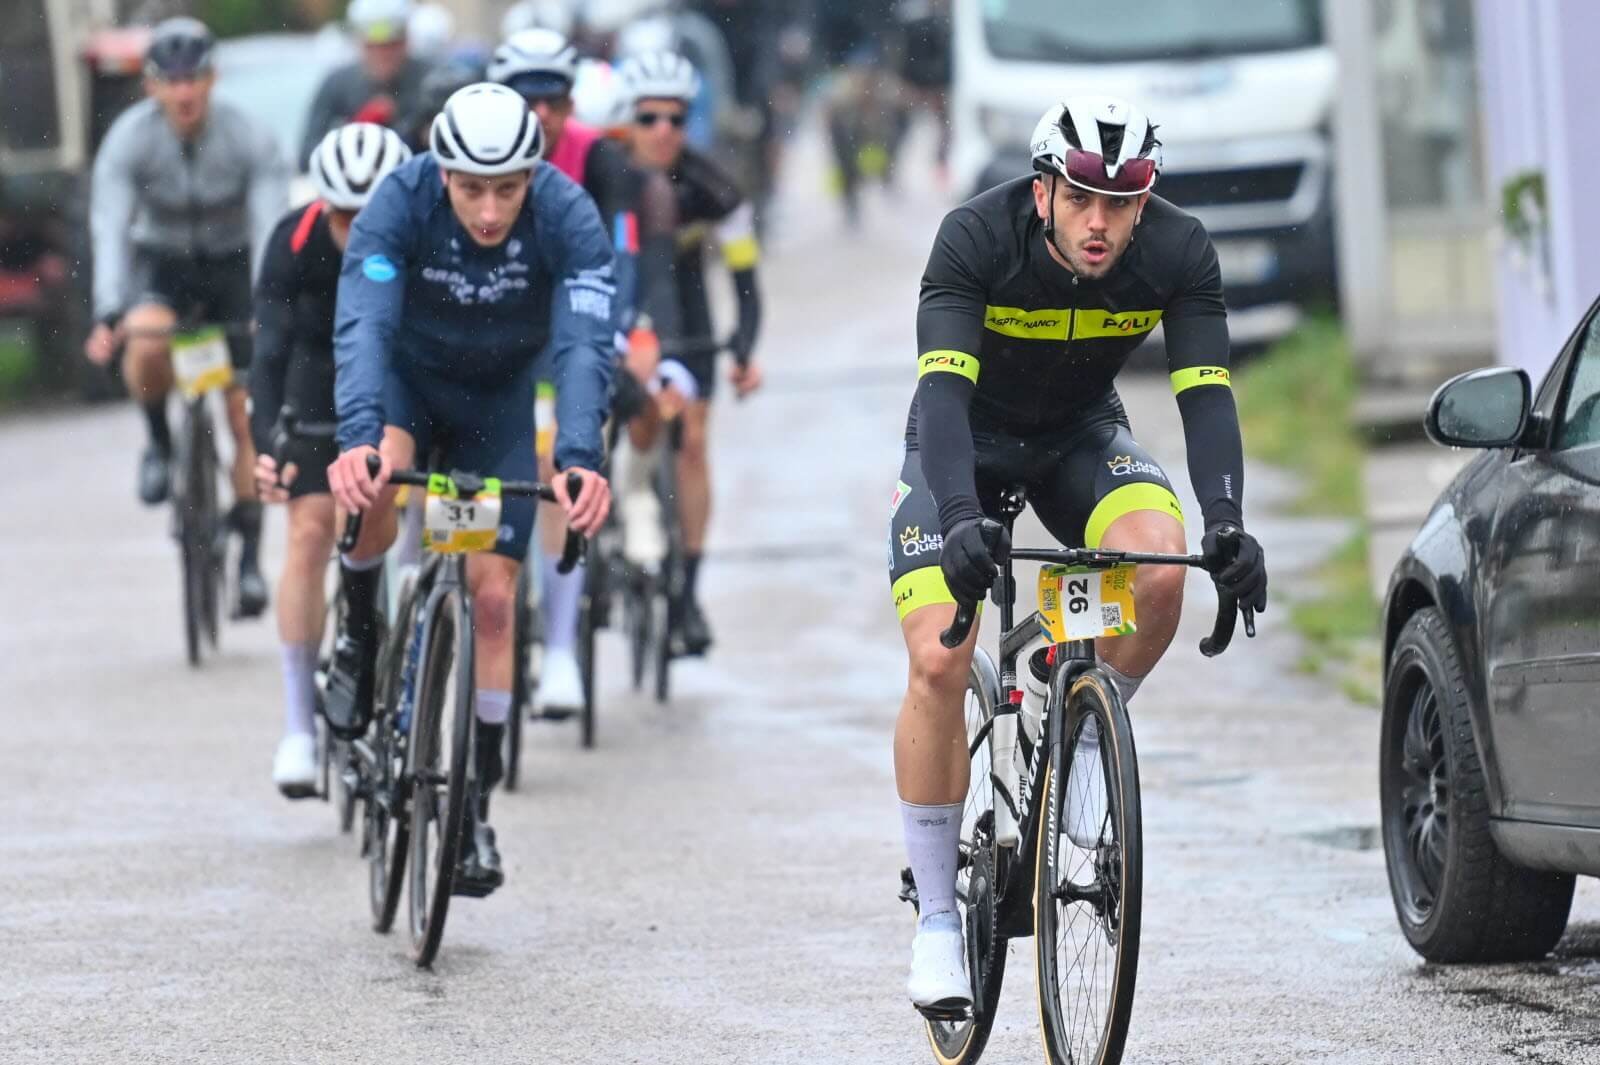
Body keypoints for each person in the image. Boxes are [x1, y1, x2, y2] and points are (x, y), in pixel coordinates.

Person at [890, 96, 1269, 1013]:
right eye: (1082, 199)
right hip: (965, 450)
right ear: (1044, 189)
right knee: (940, 655)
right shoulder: (975, 238)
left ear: (1146, 199)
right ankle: (939, 919)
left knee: (1161, 561)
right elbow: (940, 399)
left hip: (1080, 440)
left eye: (1123, 200)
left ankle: (1083, 751)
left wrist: (1227, 522)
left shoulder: (1181, 250)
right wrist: (956, 515)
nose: (1101, 224)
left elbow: (1207, 397)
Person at [325, 83, 615, 894]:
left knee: (493, 599)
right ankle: (356, 630)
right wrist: (354, 439)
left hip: (500, 405)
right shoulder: (399, 202)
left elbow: (586, 345)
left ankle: (473, 807)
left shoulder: (568, 215)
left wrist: (583, 456)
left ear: (533, 177)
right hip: (410, 389)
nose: (489, 212)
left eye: (508, 190)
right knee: (376, 474)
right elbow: (366, 323)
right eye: (471, 189)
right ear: (442, 171)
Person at [488, 27, 681, 710]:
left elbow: (619, 260)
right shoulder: (477, 147)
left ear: (571, 105)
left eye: (555, 100)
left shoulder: (600, 161)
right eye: (526, 99)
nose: (541, 114)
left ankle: (562, 647)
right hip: (495, 320)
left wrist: (620, 333)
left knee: (554, 464)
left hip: (571, 322)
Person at [85, 16, 287, 617]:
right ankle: (158, 442)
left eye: (194, 79)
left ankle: (248, 558)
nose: (184, 93)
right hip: (162, 265)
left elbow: (270, 226)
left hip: (233, 267)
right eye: (170, 81)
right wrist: (108, 309)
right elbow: (110, 227)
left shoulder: (249, 137)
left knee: (245, 416)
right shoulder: (129, 140)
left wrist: (267, 310)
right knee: (145, 344)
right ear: (150, 86)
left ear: (212, 78)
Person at [249, 123, 413, 798]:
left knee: (408, 504)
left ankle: (414, 642)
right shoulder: (294, 241)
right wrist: (267, 444)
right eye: (342, 215)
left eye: (369, 214)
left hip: (402, 379)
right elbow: (268, 356)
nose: (356, 228)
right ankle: (297, 725)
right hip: (320, 382)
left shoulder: (423, 234)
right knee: (309, 529)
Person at [616, 50, 764, 657]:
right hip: (628, 308)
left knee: (695, 440)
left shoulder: (714, 190)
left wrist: (743, 350)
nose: (662, 132)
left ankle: (687, 594)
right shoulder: (607, 178)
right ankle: (623, 506)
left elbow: (748, 286)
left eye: (675, 119)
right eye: (648, 118)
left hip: (690, 316)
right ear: (627, 121)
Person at [299, 0, 434, 164]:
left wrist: (417, 132)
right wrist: (356, 132)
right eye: (373, 46)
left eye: (392, 45)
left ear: (406, 41)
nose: (383, 54)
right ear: (360, 43)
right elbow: (307, 154)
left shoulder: (430, 82)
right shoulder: (337, 85)